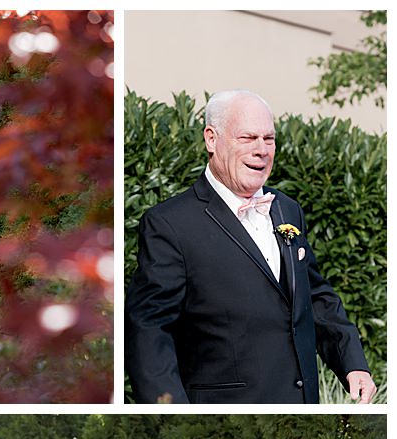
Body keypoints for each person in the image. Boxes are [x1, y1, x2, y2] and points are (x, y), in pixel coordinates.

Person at [125, 89, 376, 405]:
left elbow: (313, 295)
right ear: (211, 140)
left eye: (268, 139)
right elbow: (149, 331)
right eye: (247, 138)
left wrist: (352, 363)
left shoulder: (286, 209)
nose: (261, 150)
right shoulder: (169, 224)